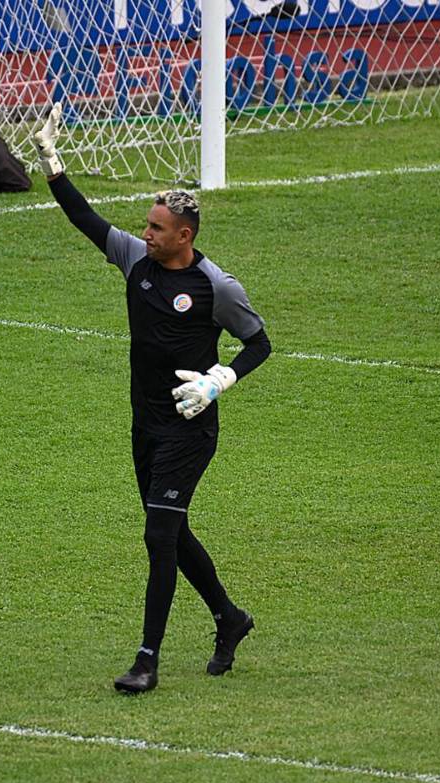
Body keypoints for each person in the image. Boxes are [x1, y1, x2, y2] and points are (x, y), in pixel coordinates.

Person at [32, 103, 273, 694]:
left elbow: (259, 343)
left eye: (157, 227)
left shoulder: (216, 287)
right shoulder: (134, 260)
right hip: (145, 423)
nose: (145, 232)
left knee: (158, 536)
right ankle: (229, 618)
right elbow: (86, 220)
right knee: (170, 529)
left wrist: (220, 380)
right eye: (146, 224)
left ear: (184, 236)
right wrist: (52, 163)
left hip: (191, 429)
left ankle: (147, 660)